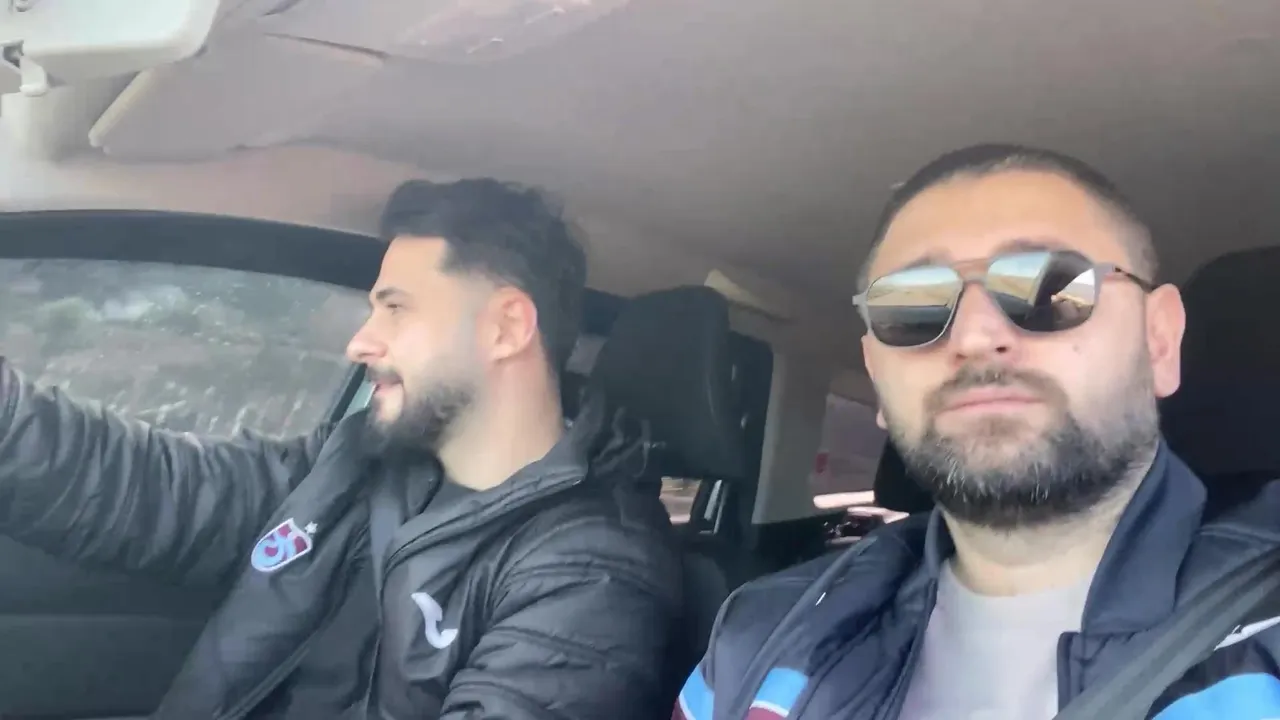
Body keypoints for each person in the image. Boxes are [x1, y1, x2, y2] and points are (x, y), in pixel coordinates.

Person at [0, 179, 682, 719]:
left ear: (506, 328)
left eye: (395, 307)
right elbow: (152, 490)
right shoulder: (354, 465)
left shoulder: (592, 574)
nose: (360, 341)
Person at [674, 144, 1280, 720]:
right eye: (912, 306)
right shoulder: (757, 642)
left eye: (1049, 286)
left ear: (1159, 341)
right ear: (876, 375)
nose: (973, 337)